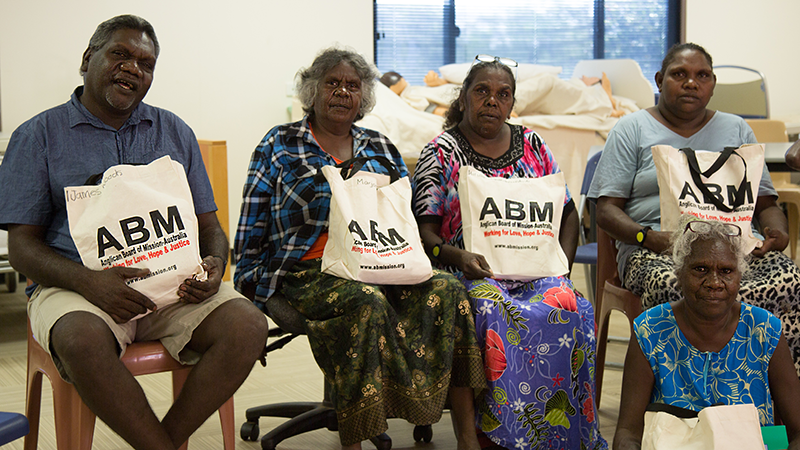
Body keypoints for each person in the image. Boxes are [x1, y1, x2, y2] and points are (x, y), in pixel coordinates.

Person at [0, 15, 268, 450]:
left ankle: (164, 442)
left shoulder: (174, 131)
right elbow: (22, 249)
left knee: (248, 325)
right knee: (80, 341)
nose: (133, 68)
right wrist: (90, 283)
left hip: (174, 288)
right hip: (77, 286)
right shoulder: (39, 135)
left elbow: (210, 228)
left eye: (145, 63)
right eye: (120, 54)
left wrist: (215, 264)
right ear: (88, 60)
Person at [234, 47, 486, 450]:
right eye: (332, 83)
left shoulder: (380, 147)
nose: (342, 92)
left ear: (364, 97)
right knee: (365, 301)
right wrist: (253, 285)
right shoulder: (280, 145)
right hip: (307, 271)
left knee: (450, 290)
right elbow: (250, 229)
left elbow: (404, 223)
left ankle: (466, 436)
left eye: (353, 86)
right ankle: (356, 437)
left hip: (381, 262)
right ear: (313, 91)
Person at [412, 57, 607, 450]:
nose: (492, 101)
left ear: (512, 103)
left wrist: (561, 266)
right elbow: (424, 233)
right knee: (491, 310)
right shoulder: (441, 151)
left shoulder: (532, 144)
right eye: (482, 91)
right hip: (470, 272)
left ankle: (563, 436)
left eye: (503, 95)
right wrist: (459, 257)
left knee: (572, 305)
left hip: (533, 270)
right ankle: (499, 436)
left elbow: (567, 211)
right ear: (464, 98)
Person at [587, 42, 800, 376]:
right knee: (675, 287)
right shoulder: (632, 129)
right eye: (679, 74)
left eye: (702, 76)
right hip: (658, 249)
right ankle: (681, 397)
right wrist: (647, 237)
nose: (691, 83)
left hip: (736, 248)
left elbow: (766, 203)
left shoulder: (736, 129)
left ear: (713, 85)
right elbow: (605, 211)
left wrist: (777, 232)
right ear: (659, 80)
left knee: (789, 278)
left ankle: (775, 402)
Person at [614, 218, 800, 450]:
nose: (714, 282)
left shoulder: (764, 330)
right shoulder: (651, 329)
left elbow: (798, 432)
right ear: (679, 273)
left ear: (739, 277)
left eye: (726, 271)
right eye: (700, 269)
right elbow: (628, 432)